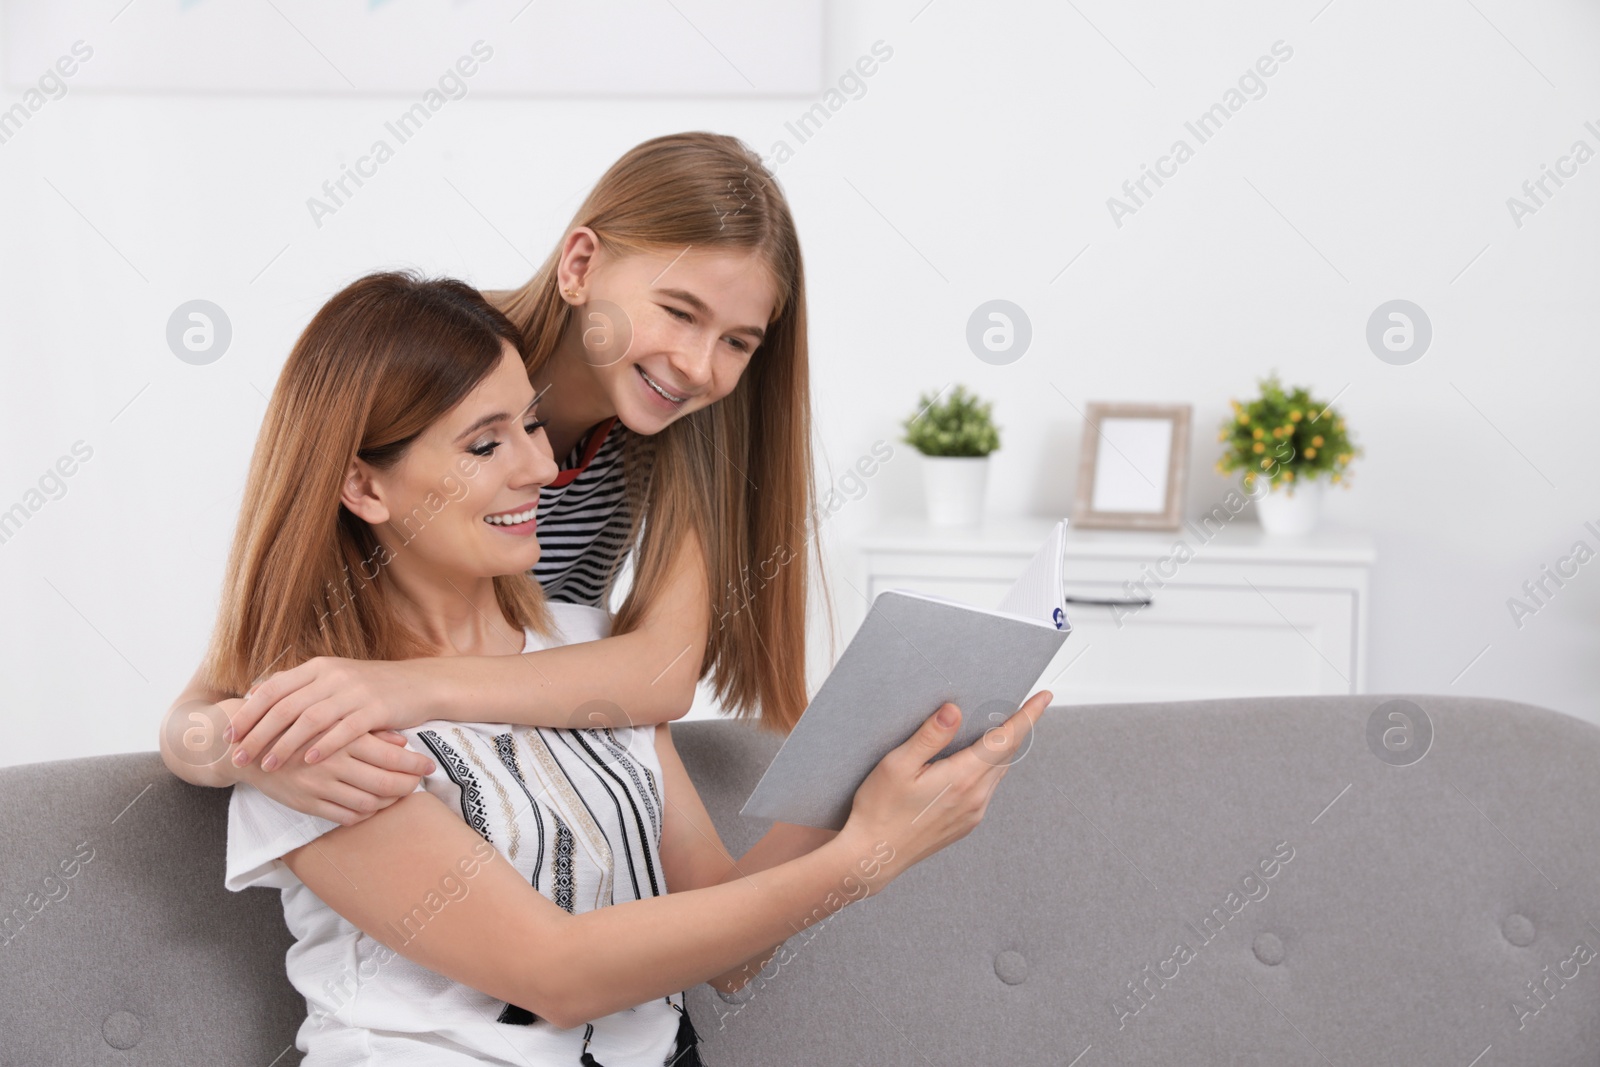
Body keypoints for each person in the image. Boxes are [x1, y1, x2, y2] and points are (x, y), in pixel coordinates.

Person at [188, 270, 1049, 1065]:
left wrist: (876, 766)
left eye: (530, 422)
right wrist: (864, 857)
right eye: (484, 446)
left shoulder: (582, 655)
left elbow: (731, 943)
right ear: (363, 488)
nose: (537, 465)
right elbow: (558, 973)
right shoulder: (311, 721)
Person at [160, 132, 835, 827]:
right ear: (581, 264)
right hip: (407, 799)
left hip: (532, 787)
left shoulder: (674, 432)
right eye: (679, 311)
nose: (698, 365)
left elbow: (660, 672)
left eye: (737, 342)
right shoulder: (430, 360)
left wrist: (404, 688)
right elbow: (197, 711)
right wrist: (256, 751)